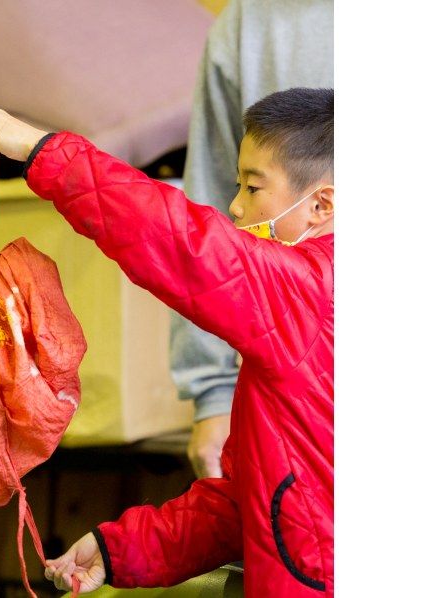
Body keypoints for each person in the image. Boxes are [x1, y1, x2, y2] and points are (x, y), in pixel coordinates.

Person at [0, 87, 334, 596]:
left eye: (252, 187)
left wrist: (41, 150)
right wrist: (119, 549)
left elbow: (179, 239)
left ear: (320, 204)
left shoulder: (311, 292)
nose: (235, 205)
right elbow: (251, 505)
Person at [178, 0, 334, 479]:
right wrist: (215, 394)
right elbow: (209, 215)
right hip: (286, 408)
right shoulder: (248, 21)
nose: (238, 203)